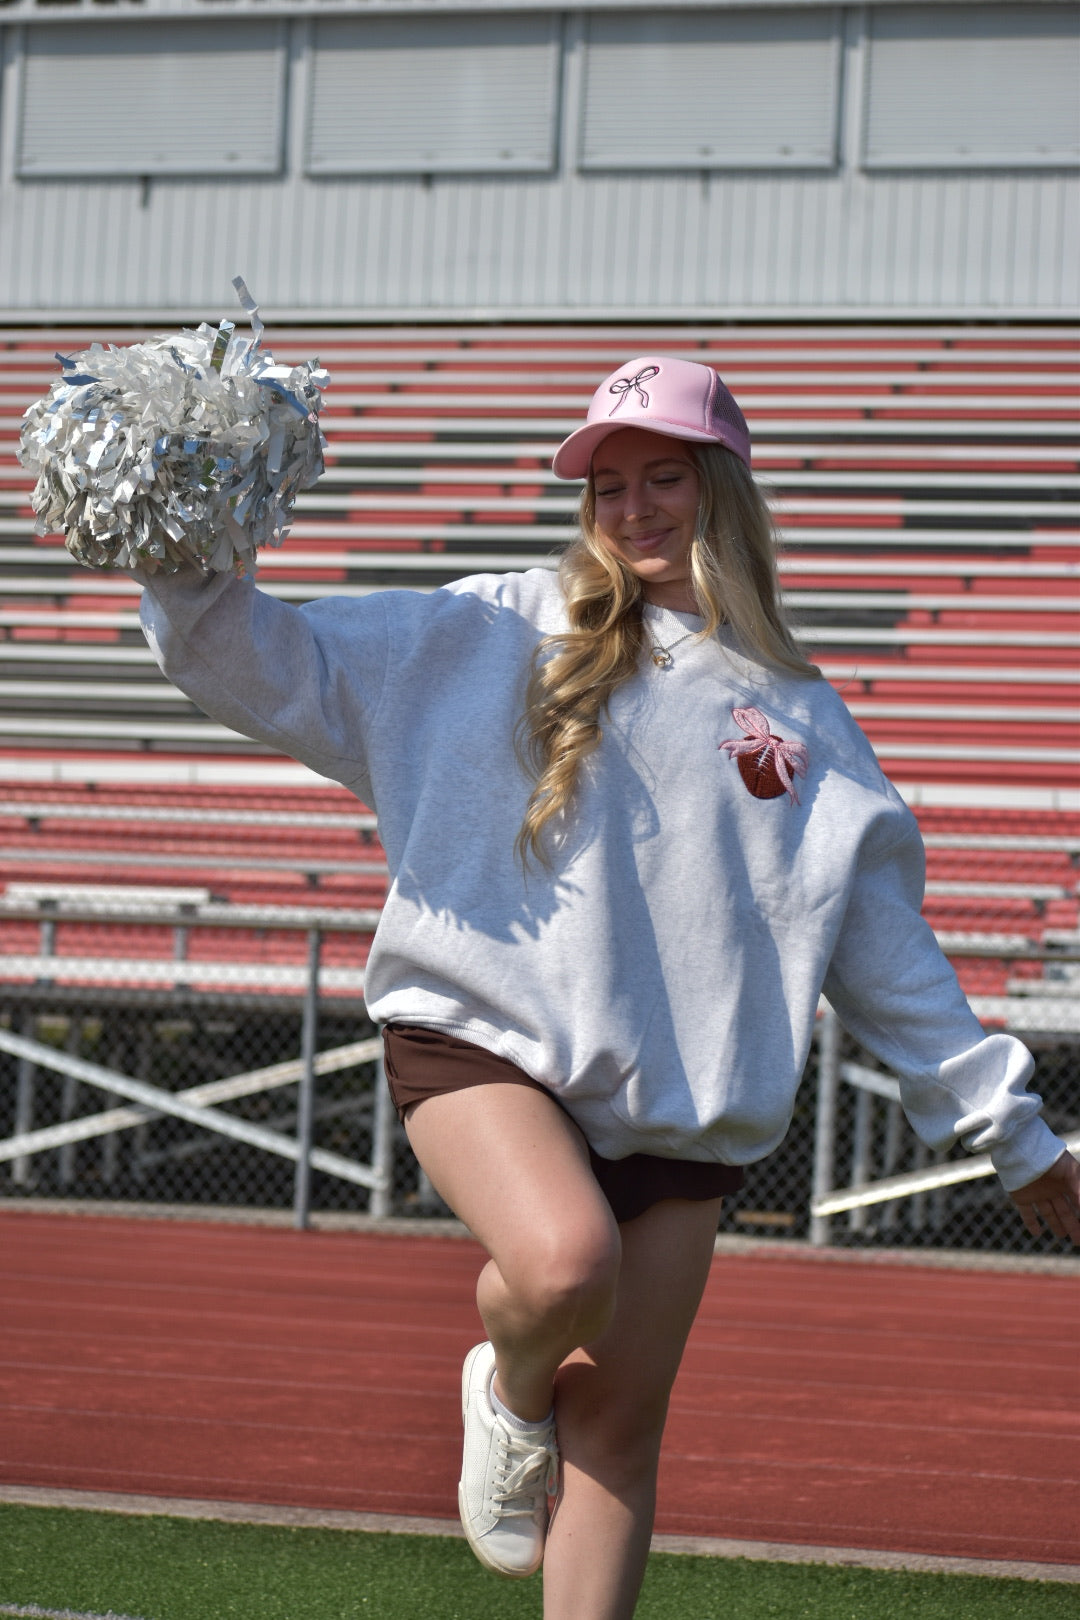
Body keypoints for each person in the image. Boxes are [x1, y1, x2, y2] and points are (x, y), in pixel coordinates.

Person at [134, 355, 1080, 1619]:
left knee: (621, 1439)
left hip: (685, 1105)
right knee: (564, 1261)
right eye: (609, 484)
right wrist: (181, 537)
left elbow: (884, 953)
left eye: (664, 478)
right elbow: (268, 659)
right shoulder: (491, 626)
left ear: (723, 490)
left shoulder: (801, 720)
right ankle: (506, 1382)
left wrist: (1011, 1136)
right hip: (486, 1037)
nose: (633, 508)